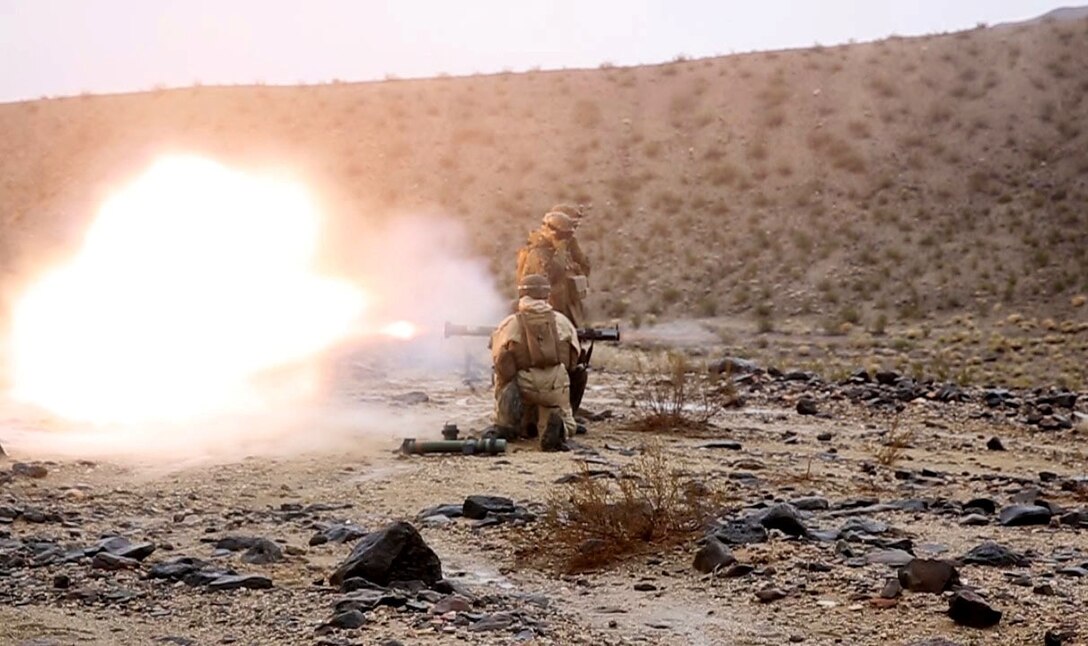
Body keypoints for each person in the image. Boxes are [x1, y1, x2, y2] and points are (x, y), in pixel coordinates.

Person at [487, 274, 580, 451]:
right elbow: (574, 358)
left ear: (523, 295)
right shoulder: (562, 321)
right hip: (555, 387)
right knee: (566, 422)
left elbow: (498, 357)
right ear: (546, 295)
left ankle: (505, 424)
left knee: (502, 373)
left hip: (525, 387)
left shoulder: (511, 323)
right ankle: (559, 429)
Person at [516, 211, 588, 328]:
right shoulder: (538, 253)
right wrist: (560, 252)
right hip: (547, 317)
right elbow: (549, 276)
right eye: (562, 236)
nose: (565, 240)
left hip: (564, 313)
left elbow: (581, 270)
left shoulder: (556, 251)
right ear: (551, 232)